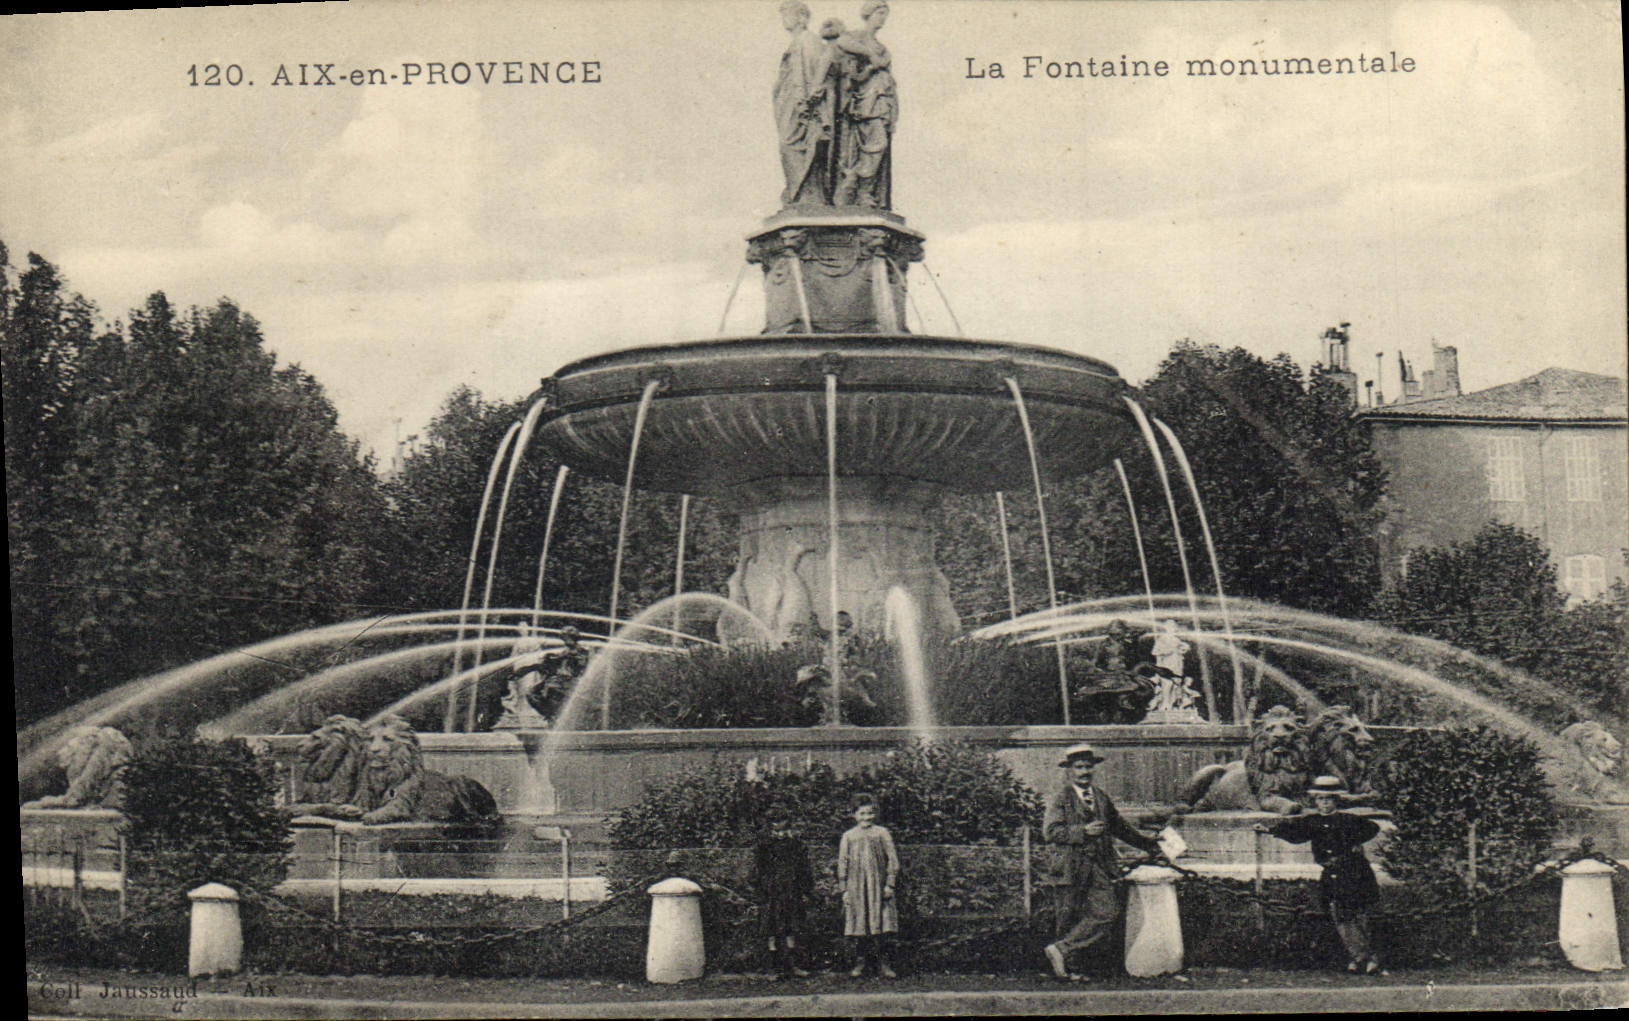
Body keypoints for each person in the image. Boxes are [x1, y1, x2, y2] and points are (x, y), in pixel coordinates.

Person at [1042, 743, 1162, 981]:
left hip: (1098, 867)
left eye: (1088, 767)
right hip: (1070, 866)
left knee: (1107, 912)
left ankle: (1061, 950)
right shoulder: (1061, 798)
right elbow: (1051, 832)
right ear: (1069, 771)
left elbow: (1120, 827)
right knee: (1068, 916)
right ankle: (1068, 971)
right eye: (1079, 768)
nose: (1084, 772)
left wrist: (1150, 843)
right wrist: (1083, 831)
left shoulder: (1100, 797)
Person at [1256, 775, 1385, 974]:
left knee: (1360, 914)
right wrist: (1268, 830)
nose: (1324, 804)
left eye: (1329, 799)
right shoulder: (1313, 822)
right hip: (1332, 873)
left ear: (1336, 801)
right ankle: (1357, 955)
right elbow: (1294, 831)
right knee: (1338, 914)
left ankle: (1370, 957)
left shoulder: (1348, 820)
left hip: (1355, 872)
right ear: (1315, 801)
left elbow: (1372, 828)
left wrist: (1354, 845)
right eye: (1320, 800)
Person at [832, 1, 897, 208]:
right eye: (879, 13)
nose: (883, 18)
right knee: (875, 145)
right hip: (866, 102)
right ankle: (860, 187)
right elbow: (841, 42)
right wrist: (869, 56)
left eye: (884, 14)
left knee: (878, 146)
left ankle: (865, 190)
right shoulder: (858, 37)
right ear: (869, 14)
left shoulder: (882, 47)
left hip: (882, 101)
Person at [773, 0, 837, 206]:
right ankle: (799, 192)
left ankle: (807, 193)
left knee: (793, 145)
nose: (785, 19)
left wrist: (807, 101)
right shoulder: (796, 42)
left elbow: (815, 74)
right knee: (788, 145)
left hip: (802, 108)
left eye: (788, 14)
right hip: (789, 105)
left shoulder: (808, 40)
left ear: (802, 17)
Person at [838, 792, 900, 978]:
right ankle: (860, 963)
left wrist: (889, 884)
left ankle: (883, 963)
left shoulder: (881, 833)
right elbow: (843, 862)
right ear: (854, 815)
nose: (866, 817)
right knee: (859, 924)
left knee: (880, 924)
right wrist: (844, 890)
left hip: (877, 886)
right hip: (856, 886)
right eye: (862, 814)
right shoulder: (848, 836)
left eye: (870, 813)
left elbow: (893, 860)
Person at [750, 805, 815, 979]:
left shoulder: (796, 846)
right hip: (771, 894)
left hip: (791, 892)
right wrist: (761, 891)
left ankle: (792, 965)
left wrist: (806, 889)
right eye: (776, 830)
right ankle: (771, 967)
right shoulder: (763, 847)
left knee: (791, 929)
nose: (780, 834)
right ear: (770, 829)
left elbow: (804, 869)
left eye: (784, 829)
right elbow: (756, 872)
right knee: (771, 930)